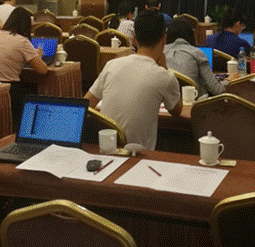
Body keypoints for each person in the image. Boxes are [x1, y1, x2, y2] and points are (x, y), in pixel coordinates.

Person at [85, 10, 182, 150]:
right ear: (164, 40)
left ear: (134, 40)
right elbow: (176, 111)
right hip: (139, 156)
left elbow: (86, 105)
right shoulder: (165, 76)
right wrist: (166, 68)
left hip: (105, 149)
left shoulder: (111, 65)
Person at [0, 7, 49, 126]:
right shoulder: (22, 41)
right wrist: (38, 57)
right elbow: (42, 70)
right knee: (34, 89)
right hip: (10, 90)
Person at [164, 19, 233, 96]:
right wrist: (228, 81)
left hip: (166, 101)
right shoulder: (196, 53)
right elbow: (217, 90)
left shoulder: (161, 52)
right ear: (191, 35)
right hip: (195, 101)